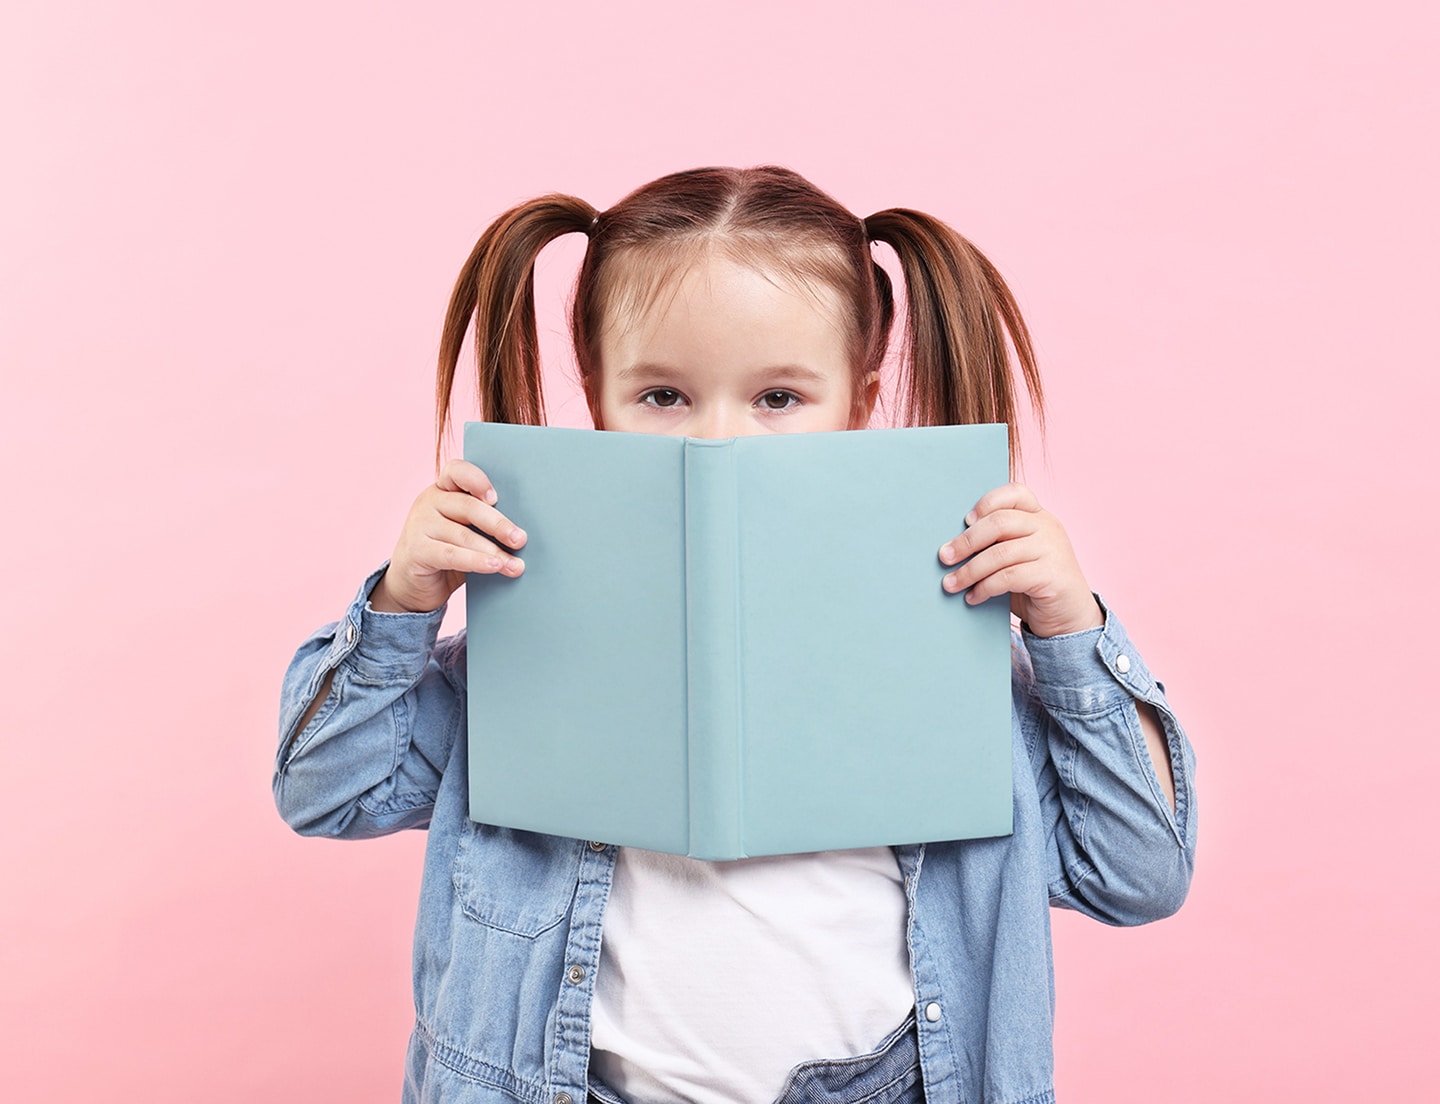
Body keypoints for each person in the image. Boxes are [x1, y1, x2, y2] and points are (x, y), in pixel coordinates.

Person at [275, 166, 1196, 1104]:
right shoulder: (520, 657)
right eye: (665, 395)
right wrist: (402, 603)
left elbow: (1138, 873)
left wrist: (1070, 632)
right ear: (597, 396)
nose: (719, 443)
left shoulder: (958, 679)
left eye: (779, 399)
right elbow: (326, 791)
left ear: (861, 402)